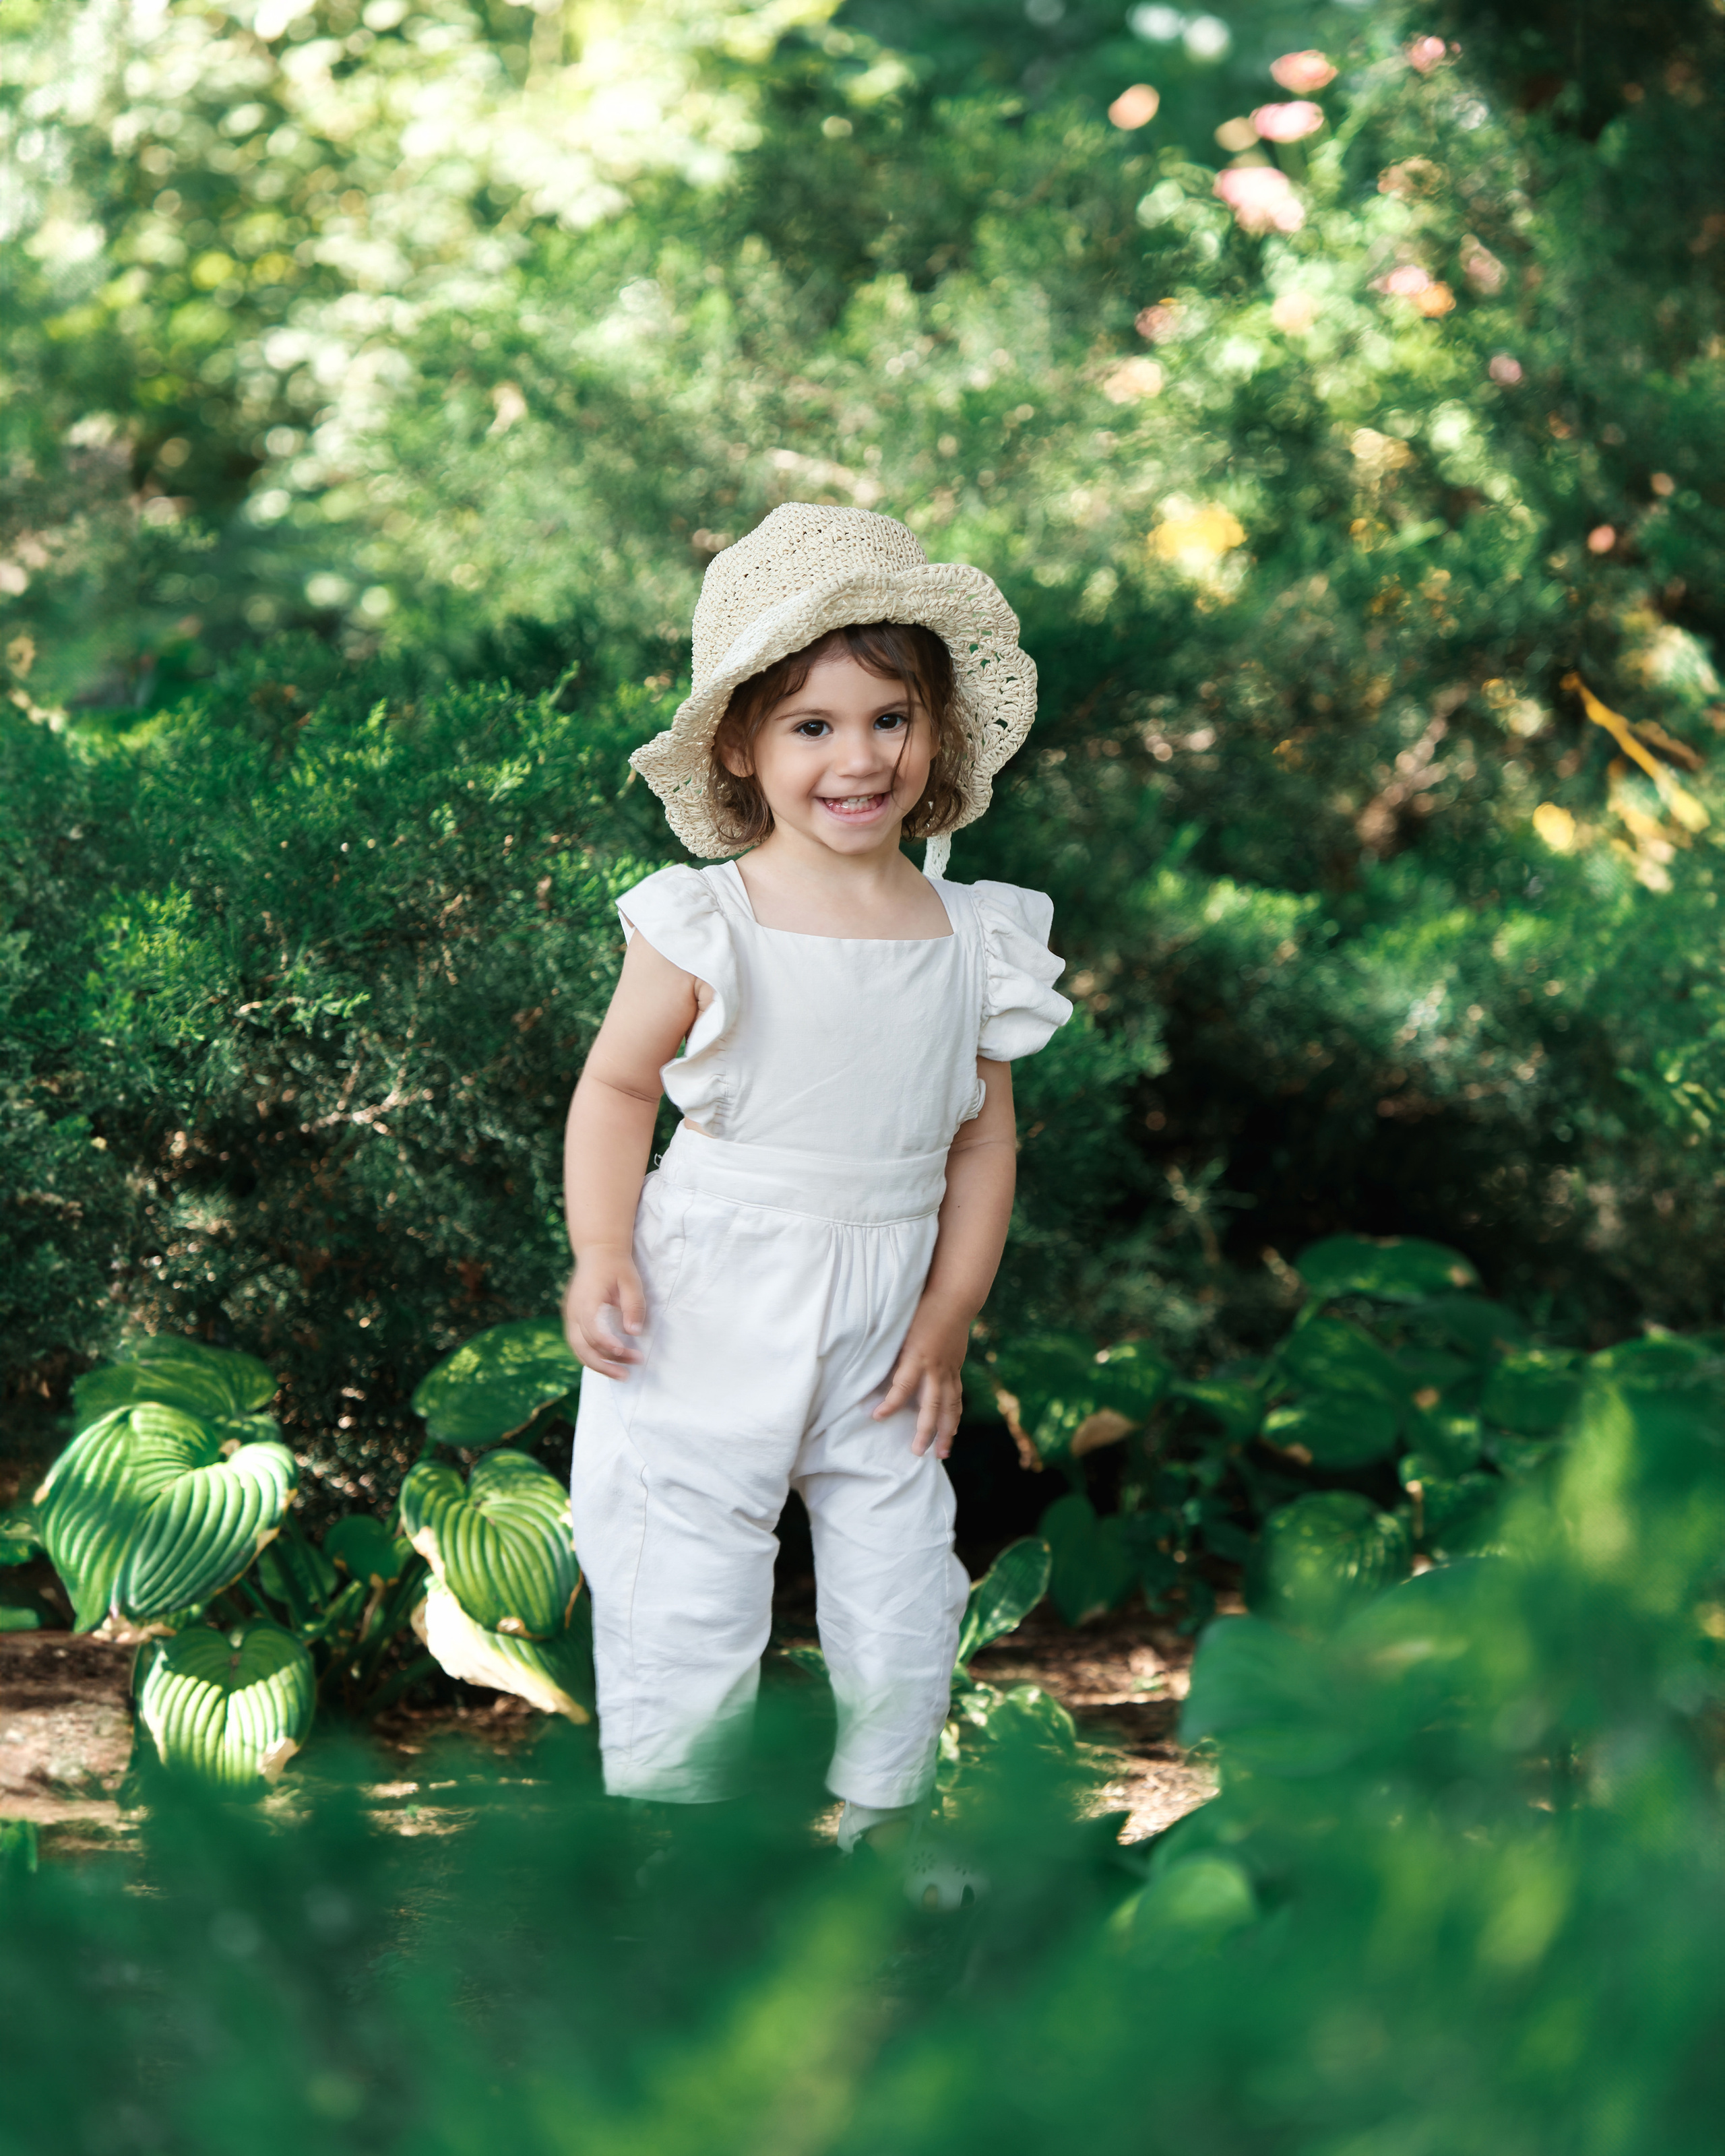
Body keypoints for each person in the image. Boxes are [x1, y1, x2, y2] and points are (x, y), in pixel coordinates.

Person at [560, 503, 1070, 1901]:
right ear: (738, 743)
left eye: (889, 718)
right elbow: (616, 1092)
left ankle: (882, 1833)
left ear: (936, 732)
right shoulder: (703, 919)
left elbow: (982, 1146)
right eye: (810, 725)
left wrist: (951, 1313)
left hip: (888, 1303)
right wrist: (602, 1244)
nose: (857, 757)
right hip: (708, 1287)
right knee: (681, 1558)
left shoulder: (975, 936)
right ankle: (687, 1848)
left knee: (905, 1577)